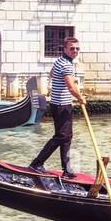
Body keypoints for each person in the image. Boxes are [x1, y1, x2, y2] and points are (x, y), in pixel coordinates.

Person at [29, 36, 86, 177]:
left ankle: (66, 170)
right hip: (61, 105)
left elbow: (52, 74)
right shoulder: (66, 64)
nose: (75, 51)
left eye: (77, 48)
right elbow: (71, 88)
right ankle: (36, 163)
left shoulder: (60, 61)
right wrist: (80, 98)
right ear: (65, 48)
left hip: (58, 104)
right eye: (72, 48)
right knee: (61, 136)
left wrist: (70, 79)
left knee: (67, 137)